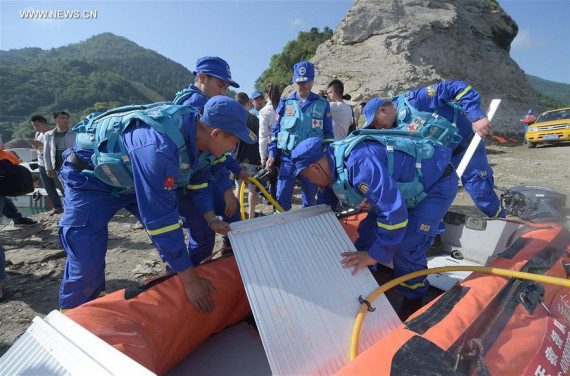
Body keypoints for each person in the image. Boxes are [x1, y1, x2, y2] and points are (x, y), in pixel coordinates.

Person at [58, 96, 256, 312]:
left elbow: (198, 178)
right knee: (86, 263)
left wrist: (210, 217)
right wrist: (191, 281)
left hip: (134, 178)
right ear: (216, 133)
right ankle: (74, 318)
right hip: (92, 182)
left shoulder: (200, 139)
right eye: (234, 142)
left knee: (172, 251)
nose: (232, 149)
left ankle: (178, 295)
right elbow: (161, 222)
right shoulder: (159, 148)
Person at [292, 136, 457, 319]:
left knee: (407, 248)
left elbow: (395, 214)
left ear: (315, 167)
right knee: (366, 237)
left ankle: (414, 300)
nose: (312, 183)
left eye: (307, 178)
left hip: (433, 185)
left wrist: (373, 256)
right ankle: (364, 284)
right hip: (398, 192)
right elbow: (325, 205)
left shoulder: (360, 165)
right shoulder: (330, 167)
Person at [363, 81, 505, 219]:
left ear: (383, 110)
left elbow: (458, 87)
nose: (378, 128)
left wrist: (477, 116)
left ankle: (502, 221)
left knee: (480, 191)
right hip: (440, 161)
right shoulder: (394, 128)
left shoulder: (416, 100)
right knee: (426, 196)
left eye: (376, 123)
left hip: (465, 148)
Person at [173, 56, 246, 260]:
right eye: (220, 86)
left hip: (203, 177)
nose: (223, 93)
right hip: (194, 182)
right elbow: (214, 155)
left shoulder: (201, 102)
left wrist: (237, 169)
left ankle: (230, 256)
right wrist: (225, 189)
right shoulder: (198, 106)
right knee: (204, 233)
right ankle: (199, 272)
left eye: (226, 88)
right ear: (202, 78)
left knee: (230, 215)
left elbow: (220, 151)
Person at [265, 61, 334, 211]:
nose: (303, 86)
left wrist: (329, 157)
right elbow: (276, 130)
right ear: (294, 82)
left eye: (307, 81)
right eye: (299, 82)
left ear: (313, 81)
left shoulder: (322, 104)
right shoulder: (285, 103)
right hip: (288, 158)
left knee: (310, 199)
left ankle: (308, 231)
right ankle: (281, 226)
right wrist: (272, 153)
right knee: (282, 194)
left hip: (311, 161)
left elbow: (328, 134)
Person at [234, 93, 262, 219]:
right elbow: (259, 140)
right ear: (248, 103)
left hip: (236, 158)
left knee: (238, 186)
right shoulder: (254, 119)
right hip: (252, 157)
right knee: (252, 188)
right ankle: (250, 216)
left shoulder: (232, 119)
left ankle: (237, 215)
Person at [29, 115, 64, 215]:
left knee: (60, 185)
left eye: (37, 125)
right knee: (48, 187)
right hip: (42, 164)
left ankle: (70, 205)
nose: (35, 127)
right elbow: (39, 149)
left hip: (53, 164)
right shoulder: (38, 134)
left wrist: (41, 145)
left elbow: (56, 148)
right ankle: (57, 207)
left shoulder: (53, 134)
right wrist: (35, 145)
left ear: (44, 124)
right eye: (34, 126)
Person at [258, 83, 281, 200]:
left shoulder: (264, 111)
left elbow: (262, 135)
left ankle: (273, 204)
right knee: (282, 178)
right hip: (284, 147)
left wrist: (262, 156)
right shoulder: (283, 107)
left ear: (266, 95)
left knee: (272, 179)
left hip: (270, 148)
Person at [44, 111, 76, 192]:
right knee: (64, 189)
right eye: (62, 118)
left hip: (72, 165)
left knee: (73, 188)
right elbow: (46, 152)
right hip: (58, 166)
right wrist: (48, 168)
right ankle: (67, 204)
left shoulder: (75, 133)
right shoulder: (49, 135)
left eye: (67, 118)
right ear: (55, 120)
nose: (66, 120)